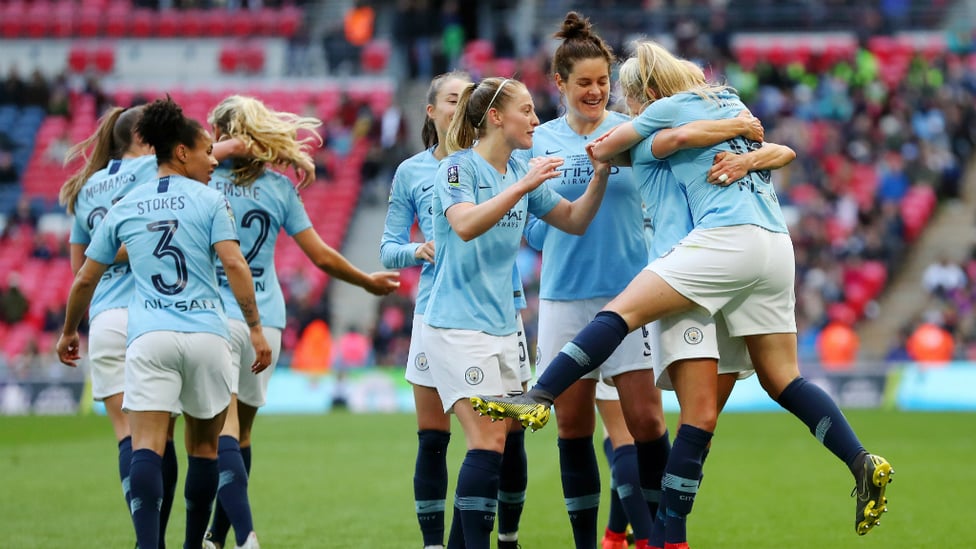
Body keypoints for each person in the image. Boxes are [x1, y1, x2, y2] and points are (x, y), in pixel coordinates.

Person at [477, 40, 893, 544]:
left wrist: (708, 137)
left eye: (627, 97)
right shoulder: (729, 104)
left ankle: (540, 396)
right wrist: (744, 142)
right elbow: (774, 147)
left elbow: (616, 145)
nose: (624, 108)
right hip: (774, 248)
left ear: (647, 93)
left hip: (706, 257)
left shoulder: (662, 117)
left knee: (622, 315)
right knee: (772, 384)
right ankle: (859, 460)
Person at [56, 97, 273, 549]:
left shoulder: (126, 203)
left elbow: (84, 277)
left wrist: (68, 330)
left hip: (149, 334)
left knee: (146, 447)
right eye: (205, 151)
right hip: (207, 336)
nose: (212, 159)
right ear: (180, 152)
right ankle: (195, 545)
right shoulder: (211, 199)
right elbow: (234, 265)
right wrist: (254, 327)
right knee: (206, 449)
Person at [203, 94, 401, 549]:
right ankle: (217, 536)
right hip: (265, 321)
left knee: (223, 432)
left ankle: (244, 535)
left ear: (221, 134)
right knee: (244, 432)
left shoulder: (202, 177)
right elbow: (321, 256)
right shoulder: (278, 188)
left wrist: (222, 152)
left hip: (213, 316)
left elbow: (162, 174)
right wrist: (365, 281)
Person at [425, 75, 610, 549]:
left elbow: (574, 220)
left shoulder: (519, 172)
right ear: (494, 117)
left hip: (505, 331)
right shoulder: (457, 168)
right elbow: (464, 224)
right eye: (526, 110)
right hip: (455, 326)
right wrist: (525, 183)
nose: (535, 119)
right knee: (486, 443)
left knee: (502, 442)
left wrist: (602, 174)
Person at [517, 13, 667, 549]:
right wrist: (559, 222)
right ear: (559, 84)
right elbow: (532, 232)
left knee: (647, 422)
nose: (596, 91)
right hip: (563, 298)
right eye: (584, 82)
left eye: (603, 81)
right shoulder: (539, 143)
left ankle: (661, 537)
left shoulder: (629, 131)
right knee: (572, 429)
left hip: (631, 297)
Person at [380, 71, 531, 549]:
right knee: (436, 437)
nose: (459, 104)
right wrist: (415, 251)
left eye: (467, 97)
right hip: (438, 311)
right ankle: (434, 543)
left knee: (509, 435)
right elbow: (388, 247)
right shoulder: (416, 171)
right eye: (451, 98)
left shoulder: (509, 161)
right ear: (433, 112)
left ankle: (500, 537)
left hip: (502, 310)